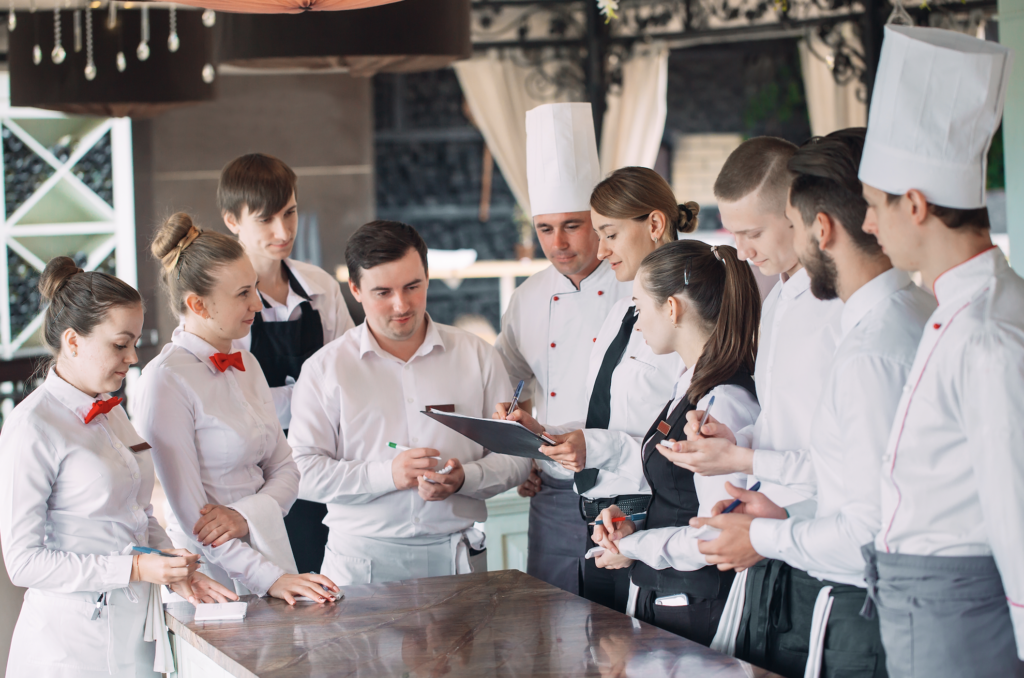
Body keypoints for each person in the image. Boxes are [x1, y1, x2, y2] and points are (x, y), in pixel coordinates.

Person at [688, 128, 935, 677]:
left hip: (829, 553)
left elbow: (860, 491)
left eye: (756, 231)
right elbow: (795, 425)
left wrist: (765, 518)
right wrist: (740, 445)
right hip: (793, 534)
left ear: (807, 221)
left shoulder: (852, 321)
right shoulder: (783, 299)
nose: (743, 250)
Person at [856, 26, 1022, 677]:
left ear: (916, 205)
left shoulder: (986, 333)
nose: (867, 224)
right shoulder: (962, 307)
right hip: (927, 603)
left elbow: (1016, 507)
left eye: (874, 206)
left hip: (963, 613)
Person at [0, 257, 236, 678]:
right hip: (67, 648)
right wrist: (135, 568)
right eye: (119, 344)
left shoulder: (113, 412)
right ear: (73, 341)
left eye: (134, 343)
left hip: (132, 633)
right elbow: (23, 563)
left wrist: (170, 566)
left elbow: (137, 515)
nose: (131, 357)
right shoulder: (31, 425)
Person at [287, 220, 531, 585]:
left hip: (457, 558)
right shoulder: (325, 368)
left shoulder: (477, 355)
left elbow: (517, 457)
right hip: (361, 564)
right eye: (382, 292)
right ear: (355, 289)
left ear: (428, 278)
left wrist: (467, 477)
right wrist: (387, 475)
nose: (401, 305)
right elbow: (301, 472)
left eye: (412, 287)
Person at [503, 166, 691, 613]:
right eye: (545, 229)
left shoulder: (689, 308)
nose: (601, 250)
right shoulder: (624, 310)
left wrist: (593, 447)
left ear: (655, 225)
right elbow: (613, 413)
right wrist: (548, 433)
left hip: (655, 518)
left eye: (607, 233)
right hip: (607, 516)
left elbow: (683, 438)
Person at [135, 213, 339, 605]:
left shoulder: (249, 364)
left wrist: (245, 516)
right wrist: (272, 578)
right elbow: (196, 521)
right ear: (198, 304)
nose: (258, 304)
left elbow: (287, 468)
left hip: (271, 552)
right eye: (243, 293)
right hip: (209, 578)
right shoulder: (165, 380)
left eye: (255, 288)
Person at [588, 239, 761, 646]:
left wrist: (634, 545)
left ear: (672, 308)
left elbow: (716, 534)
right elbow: (680, 499)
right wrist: (633, 525)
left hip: (699, 607)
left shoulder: (725, 405)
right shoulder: (688, 387)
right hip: (667, 595)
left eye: (639, 307)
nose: (638, 322)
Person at [494, 102, 628, 595]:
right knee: (552, 627)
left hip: (626, 487)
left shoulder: (635, 287)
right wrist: (522, 453)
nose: (559, 243)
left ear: (598, 220)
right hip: (552, 492)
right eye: (545, 229)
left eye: (572, 225)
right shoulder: (528, 297)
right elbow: (510, 382)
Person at [219, 153, 354, 574]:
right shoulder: (220, 301)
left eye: (290, 213)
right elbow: (231, 401)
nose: (283, 231)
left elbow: (351, 371)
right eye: (266, 220)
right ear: (231, 221)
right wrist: (314, 398)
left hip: (326, 464)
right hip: (255, 475)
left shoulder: (320, 287)